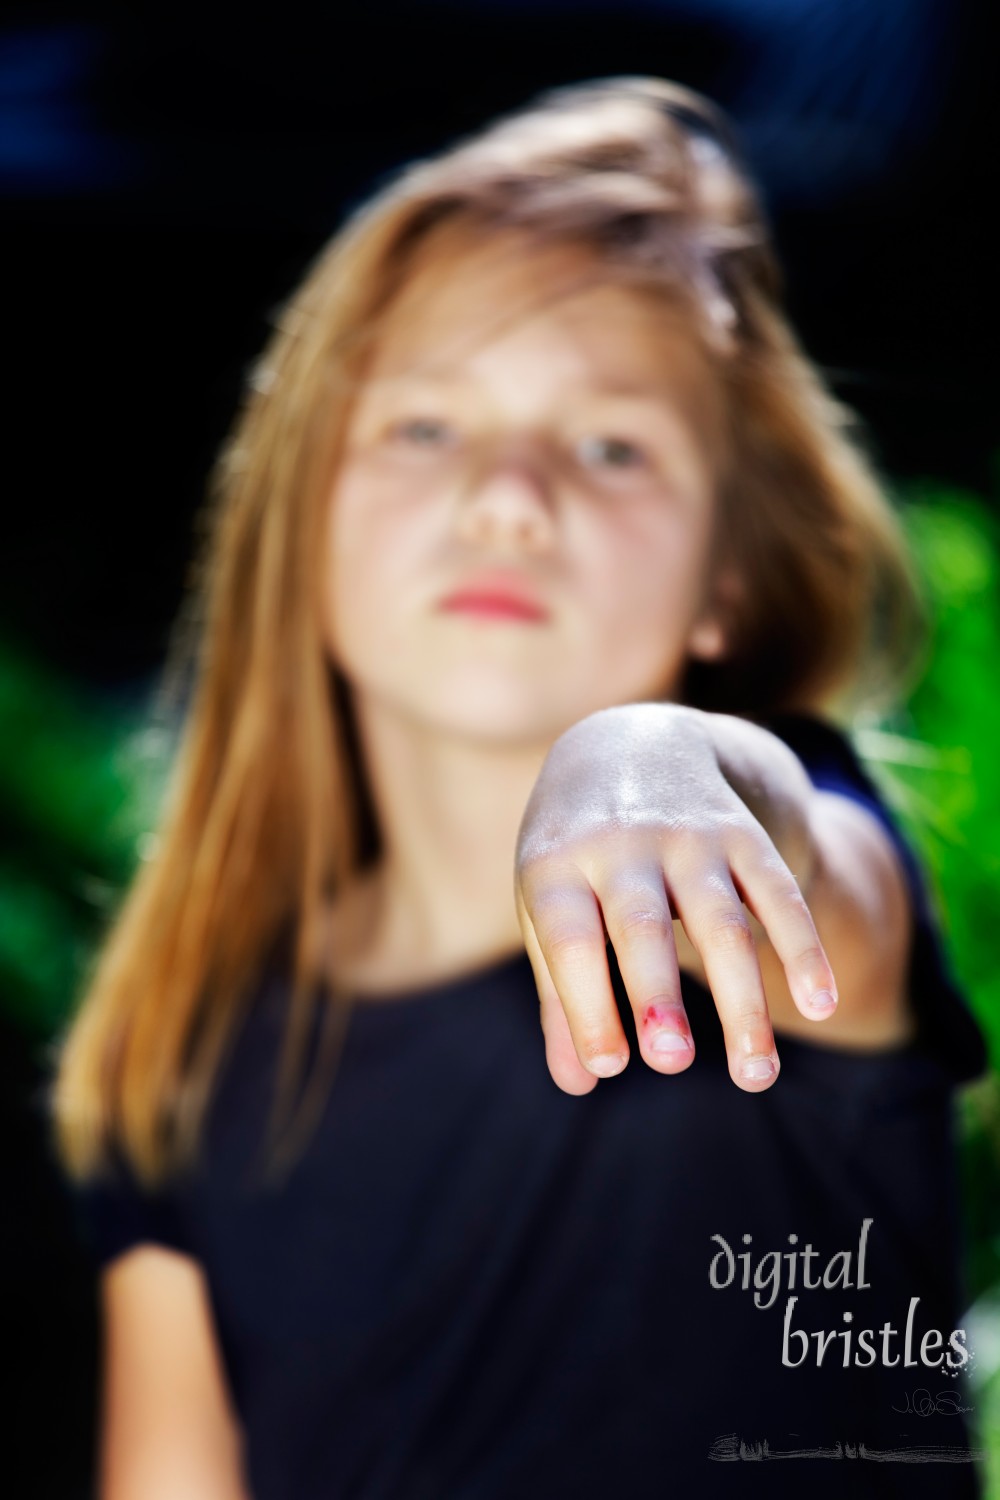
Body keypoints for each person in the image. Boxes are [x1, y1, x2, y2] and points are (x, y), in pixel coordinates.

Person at [49, 77, 988, 1499]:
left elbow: (807, 868)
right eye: (424, 428)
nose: (506, 496)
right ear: (301, 516)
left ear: (729, 577)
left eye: (612, 446)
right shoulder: (190, 1049)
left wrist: (644, 758)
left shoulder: (787, 913)